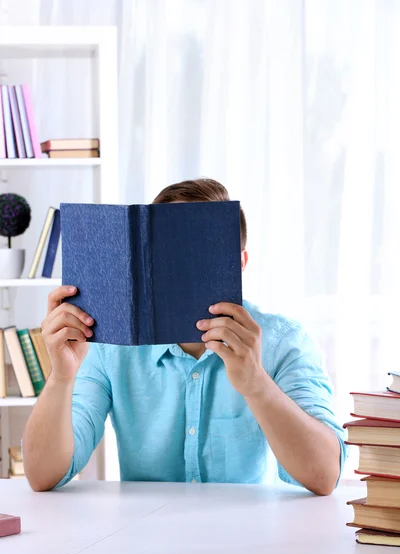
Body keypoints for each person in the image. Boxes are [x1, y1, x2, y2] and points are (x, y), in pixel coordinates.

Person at [23, 178, 346, 494]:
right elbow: (43, 476)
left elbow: (323, 476)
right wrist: (61, 378)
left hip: (250, 532)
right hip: (143, 533)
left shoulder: (283, 341)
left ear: (240, 263)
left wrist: (256, 384)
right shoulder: (108, 345)